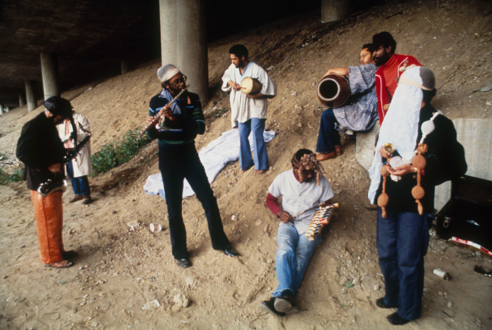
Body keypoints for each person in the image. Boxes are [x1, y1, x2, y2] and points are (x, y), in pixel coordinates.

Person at [367, 67, 466, 325]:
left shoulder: (439, 124)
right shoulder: (396, 117)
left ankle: (409, 309)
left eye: (402, 87)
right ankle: (393, 295)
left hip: (415, 204)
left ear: (415, 91)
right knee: (387, 252)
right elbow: (384, 149)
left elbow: (458, 166)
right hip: (388, 199)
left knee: (408, 259)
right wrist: (386, 163)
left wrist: (417, 168)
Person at [146, 64, 239, 268]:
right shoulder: (157, 101)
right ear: (166, 85)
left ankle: (220, 243)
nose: (182, 83)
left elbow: (199, 129)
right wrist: (153, 125)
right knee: (174, 207)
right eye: (176, 81)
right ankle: (180, 253)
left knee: (208, 198)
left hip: (189, 155)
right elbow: (153, 135)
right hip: (168, 158)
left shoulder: (193, 98)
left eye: (182, 79)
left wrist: (175, 119)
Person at [261, 149, 334, 316]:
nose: (310, 175)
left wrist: (320, 221)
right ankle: (286, 298)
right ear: (295, 168)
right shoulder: (283, 179)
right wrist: (279, 212)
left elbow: (327, 208)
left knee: (301, 257)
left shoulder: (320, 181)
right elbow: (270, 199)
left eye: (312, 171)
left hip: (311, 226)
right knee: (285, 250)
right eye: (306, 172)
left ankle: (280, 297)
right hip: (289, 224)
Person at [16, 96, 79, 269]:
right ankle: (51, 258)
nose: (63, 119)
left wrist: (65, 151)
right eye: (61, 116)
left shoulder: (47, 124)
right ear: (51, 113)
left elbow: (47, 146)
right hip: (41, 179)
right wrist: (48, 165)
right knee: (47, 219)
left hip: (51, 179)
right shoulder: (32, 126)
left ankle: (58, 250)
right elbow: (22, 154)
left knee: (55, 218)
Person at [316, 44, 379, 161]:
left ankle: (327, 151)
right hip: (366, 107)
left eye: (364, 56)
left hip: (365, 112)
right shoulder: (373, 69)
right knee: (335, 111)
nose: (361, 59)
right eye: (360, 56)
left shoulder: (372, 68)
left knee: (327, 115)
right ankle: (336, 146)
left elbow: (346, 71)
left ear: (374, 55)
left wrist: (330, 71)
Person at [221, 44, 277, 175]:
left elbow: (271, 89)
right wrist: (231, 83)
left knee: (257, 134)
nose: (232, 62)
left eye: (234, 59)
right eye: (231, 59)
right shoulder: (233, 68)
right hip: (242, 108)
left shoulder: (256, 70)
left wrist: (254, 95)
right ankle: (246, 163)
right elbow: (225, 77)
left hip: (256, 107)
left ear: (242, 57)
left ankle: (261, 165)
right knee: (242, 135)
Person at [371, 32, 421, 124]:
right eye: (373, 51)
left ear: (388, 49)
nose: (373, 54)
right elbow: (382, 102)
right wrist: (384, 127)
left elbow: (424, 85)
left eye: (377, 50)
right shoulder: (379, 74)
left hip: (418, 112)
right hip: (400, 116)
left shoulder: (407, 61)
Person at [57, 110, 92, 204]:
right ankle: (78, 193)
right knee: (71, 174)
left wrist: (74, 136)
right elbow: (61, 136)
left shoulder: (80, 118)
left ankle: (86, 195)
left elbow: (87, 133)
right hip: (67, 150)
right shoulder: (62, 122)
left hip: (78, 149)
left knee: (80, 173)